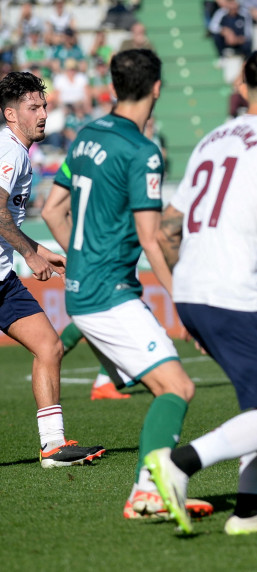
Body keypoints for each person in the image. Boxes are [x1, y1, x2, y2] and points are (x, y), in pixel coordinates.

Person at [146, 47, 257, 536]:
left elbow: (167, 231)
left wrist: (189, 296)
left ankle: (249, 511)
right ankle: (180, 463)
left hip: (192, 290)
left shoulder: (211, 139)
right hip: (230, 293)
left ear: (243, 89)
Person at [40, 49, 211, 520]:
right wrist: (187, 307)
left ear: (114, 86)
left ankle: (147, 490)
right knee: (177, 387)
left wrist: (80, 258)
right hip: (108, 294)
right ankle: (146, 492)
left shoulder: (86, 135)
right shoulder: (142, 152)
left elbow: (53, 209)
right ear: (156, 88)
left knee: (168, 385)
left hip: (84, 291)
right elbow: (152, 240)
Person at [0, 71, 105, 468]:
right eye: (33, 107)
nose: (44, 113)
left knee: (49, 346)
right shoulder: (8, 150)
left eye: (43, 105)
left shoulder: (17, 150)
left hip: (2, 280)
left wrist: (45, 251)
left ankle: (53, 446)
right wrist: (31, 255)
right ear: (12, 115)